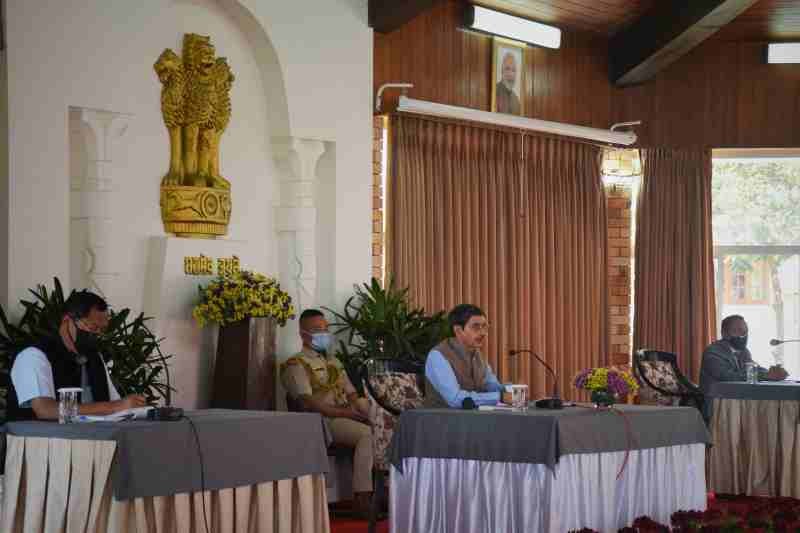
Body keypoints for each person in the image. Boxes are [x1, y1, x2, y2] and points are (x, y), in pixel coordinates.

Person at [280, 309, 373, 516]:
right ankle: (362, 497)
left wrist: (365, 410)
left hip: (344, 415)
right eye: (316, 329)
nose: (323, 333)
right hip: (321, 421)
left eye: (325, 328)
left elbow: (351, 393)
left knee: (386, 426)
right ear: (303, 334)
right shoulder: (296, 364)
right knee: (367, 435)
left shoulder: (333, 361)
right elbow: (310, 403)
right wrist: (347, 414)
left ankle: (384, 492)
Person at [7, 290, 147, 421]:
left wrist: (133, 407)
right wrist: (115, 406)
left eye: (102, 330)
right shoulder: (34, 355)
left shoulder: (94, 357)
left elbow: (116, 405)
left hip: (89, 440)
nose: (97, 334)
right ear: (67, 321)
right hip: (40, 442)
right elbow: (45, 410)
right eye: (93, 328)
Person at [699, 314, 788, 420]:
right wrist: (766, 375)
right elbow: (728, 376)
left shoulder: (743, 352)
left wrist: (772, 372)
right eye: (738, 330)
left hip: (738, 403)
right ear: (724, 334)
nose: (743, 334)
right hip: (718, 407)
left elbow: (753, 368)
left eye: (745, 331)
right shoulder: (713, 352)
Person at [424, 304, 510, 408]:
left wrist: (512, 390)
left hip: (471, 417)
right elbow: (455, 399)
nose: (483, 333)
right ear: (458, 331)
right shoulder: (438, 356)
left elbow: (491, 386)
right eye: (476, 327)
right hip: (440, 419)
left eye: (484, 327)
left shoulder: (477, 355)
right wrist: (500, 397)